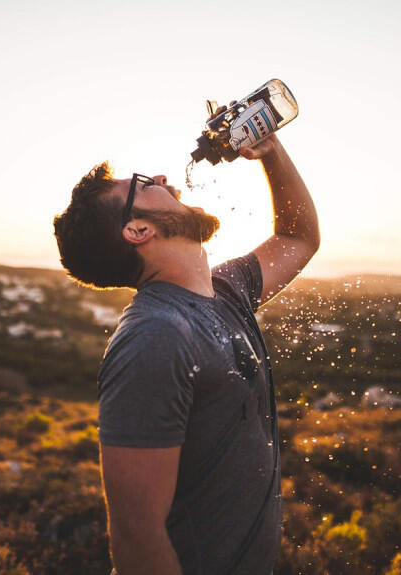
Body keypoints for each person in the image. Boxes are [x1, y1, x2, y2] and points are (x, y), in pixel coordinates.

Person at [52, 107, 319, 575]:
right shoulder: (155, 338)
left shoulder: (226, 291)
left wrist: (271, 151)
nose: (161, 176)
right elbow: (137, 537)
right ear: (138, 230)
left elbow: (298, 237)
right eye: (143, 183)